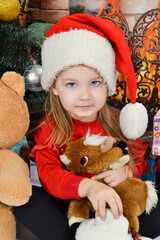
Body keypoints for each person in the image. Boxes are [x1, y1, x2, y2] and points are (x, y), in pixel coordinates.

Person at [13, 13, 160, 239]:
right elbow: (49, 175)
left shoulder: (118, 121)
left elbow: (138, 156)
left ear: (107, 84)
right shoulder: (50, 128)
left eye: (94, 83)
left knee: (153, 209)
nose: (85, 95)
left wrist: (126, 171)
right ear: (54, 86)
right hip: (72, 204)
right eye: (71, 84)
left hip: (115, 202)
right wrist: (89, 188)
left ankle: (124, 230)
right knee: (30, 201)